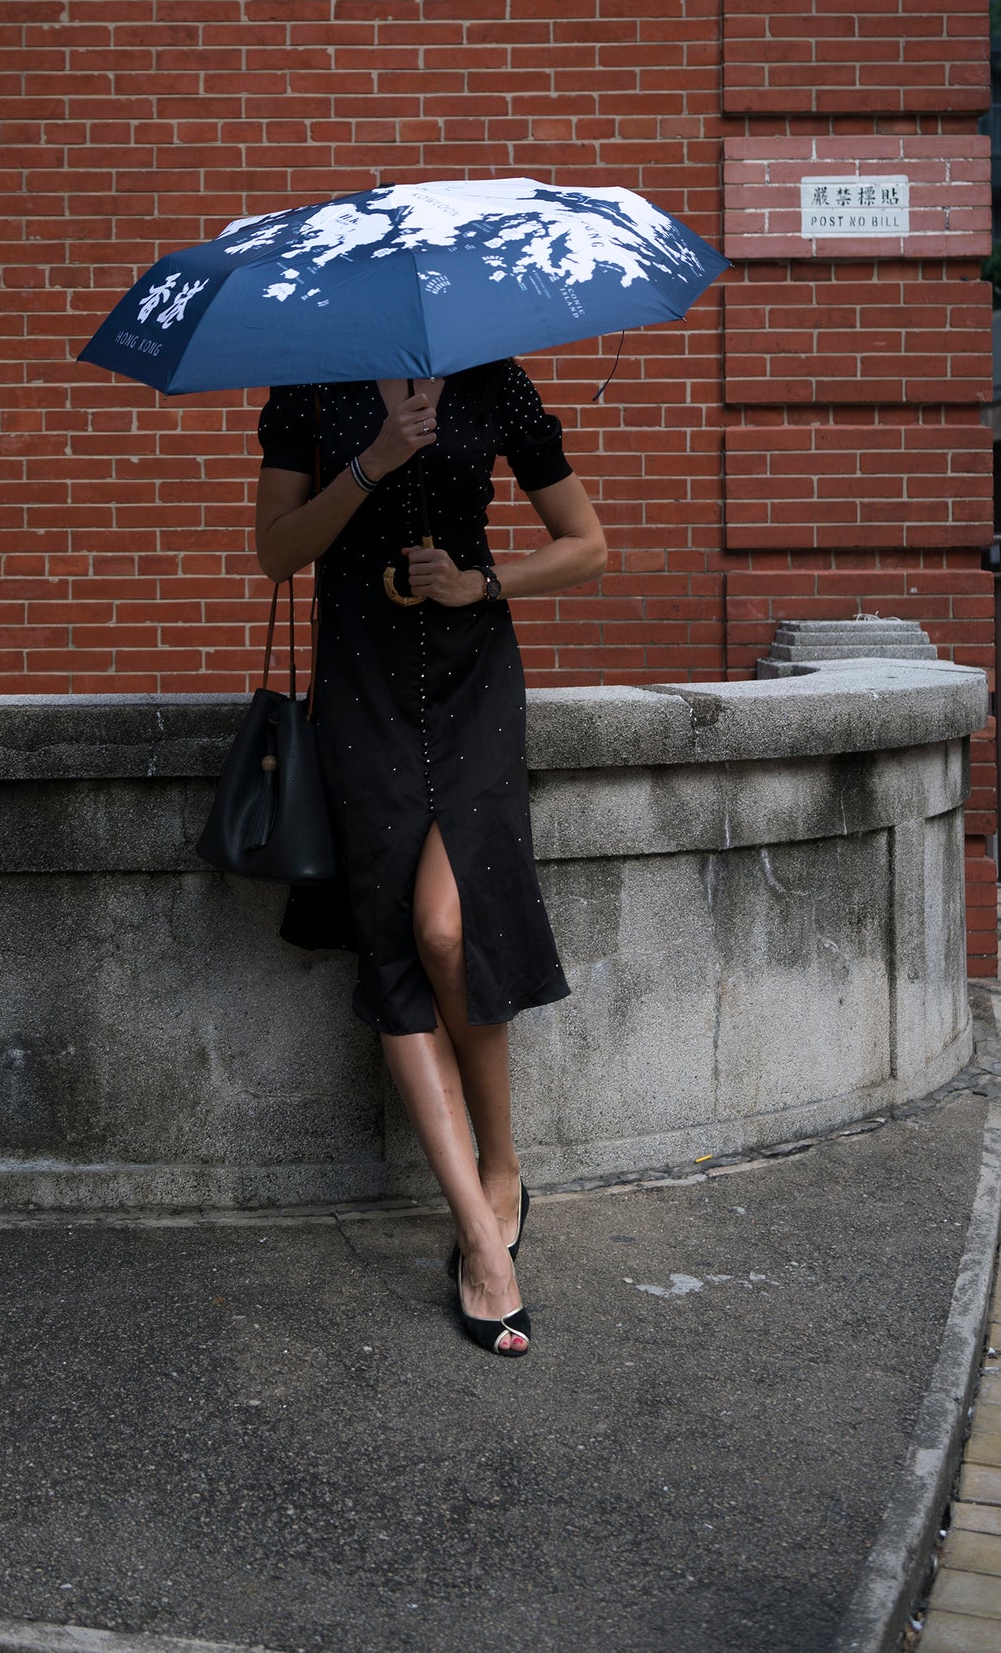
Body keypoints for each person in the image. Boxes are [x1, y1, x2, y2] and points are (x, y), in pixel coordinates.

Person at [254, 362, 607, 1357]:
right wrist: (372, 460)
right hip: (359, 687)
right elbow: (274, 553)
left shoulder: (496, 386)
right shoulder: (311, 392)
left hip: (471, 682)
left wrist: (477, 581)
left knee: (448, 929)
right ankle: (479, 1243)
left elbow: (585, 548)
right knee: (394, 950)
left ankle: (503, 1167)